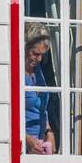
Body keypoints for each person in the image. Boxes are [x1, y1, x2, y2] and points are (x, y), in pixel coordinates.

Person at [24, 22, 56, 154]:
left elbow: (42, 109)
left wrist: (49, 132)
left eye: (43, 55)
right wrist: (25, 139)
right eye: (35, 53)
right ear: (25, 47)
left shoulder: (38, 70)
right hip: (24, 147)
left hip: (40, 143)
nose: (39, 59)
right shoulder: (16, 72)